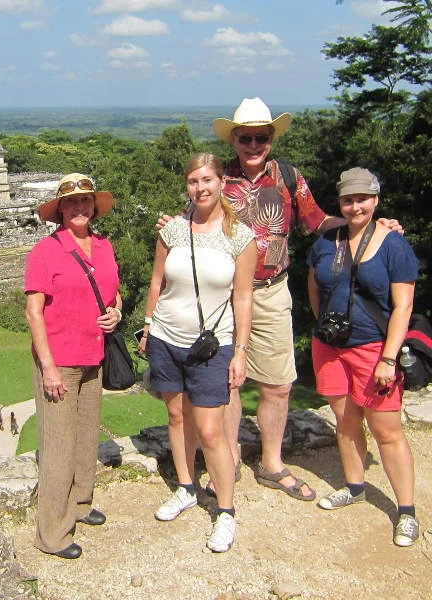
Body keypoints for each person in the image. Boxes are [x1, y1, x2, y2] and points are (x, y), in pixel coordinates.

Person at [158, 98, 401, 501]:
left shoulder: (288, 177)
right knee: (226, 384)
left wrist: (366, 223)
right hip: (222, 298)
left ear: (271, 138)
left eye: (261, 137)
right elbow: (193, 221)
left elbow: (318, 221)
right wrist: (169, 223)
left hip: (270, 291)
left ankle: (271, 461)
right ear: (234, 140)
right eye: (245, 137)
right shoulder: (220, 180)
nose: (254, 144)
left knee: (277, 384)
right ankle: (229, 457)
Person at [139, 153, 256, 552]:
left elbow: (243, 297)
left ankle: (226, 511)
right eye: (192, 181)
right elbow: (156, 282)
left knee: (211, 430)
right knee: (176, 415)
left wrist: (241, 351)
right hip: (167, 335)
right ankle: (187, 486)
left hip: (212, 344)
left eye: (207, 180)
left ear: (223, 182)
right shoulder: (172, 229)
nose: (200, 188)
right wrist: (147, 325)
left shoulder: (240, 237)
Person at [308, 167, 419, 547]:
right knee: (346, 421)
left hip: (374, 349)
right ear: (339, 202)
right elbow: (314, 286)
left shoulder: (393, 244)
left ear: (375, 201)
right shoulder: (327, 240)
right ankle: (355, 486)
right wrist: (325, 325)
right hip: (330, 346)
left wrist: (388, 358)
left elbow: (403, 307)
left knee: (387, 432)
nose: (355, 206)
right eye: (348, 199)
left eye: (362, 199)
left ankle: (406, 510)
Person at [24, 172, 122, 560]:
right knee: (59, 446)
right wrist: (47, 368)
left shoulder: (104, 246)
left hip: (93, 356)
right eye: (71, 202)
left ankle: (80, 503)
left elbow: (114, 296)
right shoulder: (45, 251)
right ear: (59, 210)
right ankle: (51, 533)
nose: (79, 207)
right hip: (59, 361)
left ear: (94, 207)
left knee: (85, 438)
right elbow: (34, 313)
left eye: (86, 201)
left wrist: (115, 312)